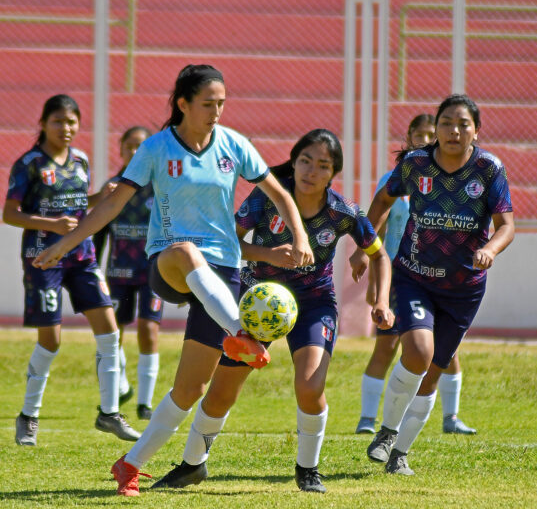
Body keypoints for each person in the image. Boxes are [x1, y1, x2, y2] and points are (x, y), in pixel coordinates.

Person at [32, 65, 313, 497]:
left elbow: (279, 193)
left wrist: (300, 234)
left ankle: (129, 464)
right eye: (208, 103)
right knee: (184, 250)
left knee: (190, 388)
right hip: (169, 264)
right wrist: (67, 242)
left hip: (222, 274)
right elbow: (110, 206)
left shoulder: (233, 144)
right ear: (183, 104)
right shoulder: (156, 148)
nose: (217, 110)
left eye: (222, 103)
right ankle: (240, 333)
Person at [150, 129, 395, 494]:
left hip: (313, 304)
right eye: (305, 161)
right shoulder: (266, 199)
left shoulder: (344, 212)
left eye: (322, 165)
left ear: (333, 173)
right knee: (220, 393)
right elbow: (228, 243)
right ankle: (191, 465)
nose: (311, 171)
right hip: (257, 301)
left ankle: (308, 470)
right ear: (294, 163)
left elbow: (379, 256)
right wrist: (269, 255)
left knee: (310, 387)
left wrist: (380, 301)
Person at [349, 94, 514, 475]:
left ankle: (400, 454)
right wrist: (364, 247)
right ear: (436, 128)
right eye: (446, 123)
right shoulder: (415, 163)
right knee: (419, 353)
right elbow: (382, 201)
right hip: (414, 277)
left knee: (435, 370)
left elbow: (507, 225)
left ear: (476, 130)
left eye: (463, 124)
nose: (454, 131)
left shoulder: (489, 169)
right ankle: (386, 431)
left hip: (464, 288)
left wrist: (490, 248)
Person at [2, 94, 141, 447]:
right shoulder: (29, 164)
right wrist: (49, 222)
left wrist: (99, 197)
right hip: (43, 257)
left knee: (109, 331)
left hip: (82, 257)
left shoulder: (80, 160)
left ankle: (109, 413)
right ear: (44, 124)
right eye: (58, 122)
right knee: (51, 340)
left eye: (72, 122)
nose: (66, 128)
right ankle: (28, 416)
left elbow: (78, 206)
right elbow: (10, 214)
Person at [356, 114, 477, 436]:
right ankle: (367, 419)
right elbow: (376, 229)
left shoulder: (449, 181)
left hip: (440, 278)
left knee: (444, 351)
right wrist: (374, 282)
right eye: (418, 134)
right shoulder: (393, 179)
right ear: (408, 137)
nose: (424, 140)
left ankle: (451, 418)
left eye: (429, 135)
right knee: (386, 346)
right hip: (400, 277)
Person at [91, 126, 162, 421]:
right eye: (129, 146)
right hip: (118, 273)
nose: (134, 152)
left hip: (154, 273)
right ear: (120, 149)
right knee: (113, 333)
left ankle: (145, 404)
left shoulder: (160, 188)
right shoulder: (112, 188)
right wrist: (92, 269)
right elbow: (96, 232)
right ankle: (119, 388)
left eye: (140, 147)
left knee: (148, 331)